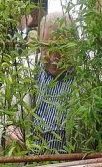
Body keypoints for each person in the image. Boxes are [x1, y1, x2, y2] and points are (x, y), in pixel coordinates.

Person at [33, 13, 77, 153]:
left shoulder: (87, 80)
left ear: (74, 45)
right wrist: (8, 127)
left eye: (61, 49)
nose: (53, 58)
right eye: (47, 48)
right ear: (39, 44)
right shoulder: (24, 73)